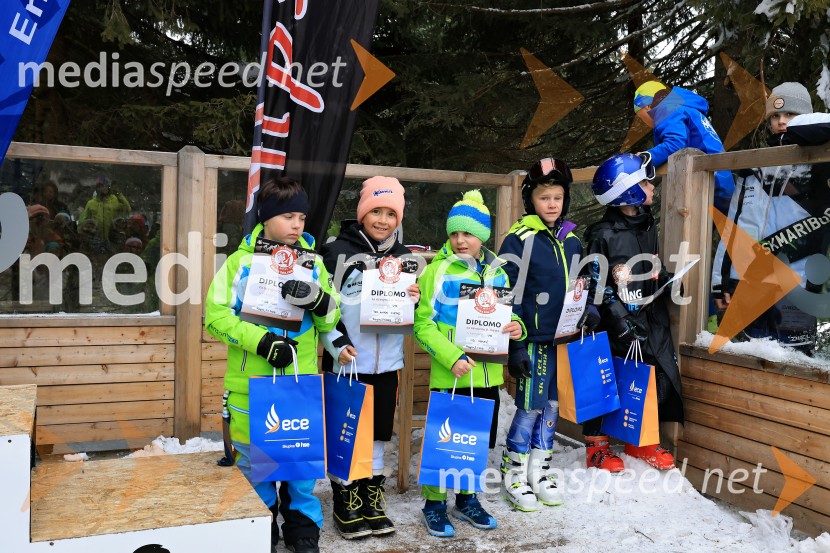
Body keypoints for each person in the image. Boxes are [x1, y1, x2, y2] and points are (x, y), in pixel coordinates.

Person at [204, 177, 341, 553]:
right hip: (253, 386)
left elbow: (331, 319)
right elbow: (214, 316)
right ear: (265, 219)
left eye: (301, 216)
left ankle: (303, 529)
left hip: (300, 385)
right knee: (256, 467)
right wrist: (261, 341)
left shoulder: (313, 264)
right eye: (287, 216)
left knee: (300, 466)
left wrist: (317, 300)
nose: (297, 225)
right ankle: (261, 526)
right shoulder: (240, 264)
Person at [414, 190, 526, 538]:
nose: (460, 240)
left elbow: (508, 315)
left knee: (474, 440)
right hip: (451, 372)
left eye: (468, 233)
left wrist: (516, 327)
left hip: (487, 374)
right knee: (442, 440)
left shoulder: (498, 273)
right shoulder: (437, 271)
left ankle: (466, 498)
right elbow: (422, 325)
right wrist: (451, 357)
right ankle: (433, 504)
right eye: (454, 233)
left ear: (483, 236)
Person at [318, 176, 420, 539]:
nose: (382, 220)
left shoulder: (405, 257)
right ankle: (345, 496)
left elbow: (412, 311)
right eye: (375, 210)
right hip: (347, 361)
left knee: (377, 434)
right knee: (347, 432)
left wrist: (414, 298)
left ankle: (370, 495)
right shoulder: (335, 253)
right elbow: (321, 307)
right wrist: (335, 343)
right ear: (362, 213)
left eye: (390, 213)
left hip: (388, 363)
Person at [496, 158, 595, 511]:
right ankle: (514, 472)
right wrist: (517, 345)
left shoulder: (572, 239)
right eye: (544, 198)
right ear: (530, 201)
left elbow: (580, 284)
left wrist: (588, 309)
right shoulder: (519, 239)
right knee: (529, 406)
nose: (552, 204)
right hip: (534, 341)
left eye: (557, 197)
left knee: (552, 405)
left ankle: (540, 469)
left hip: (562, 340)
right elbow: (507, 293)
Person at [581, 153, 684, 472]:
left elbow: (650, 264)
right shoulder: (602, 234)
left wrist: (665, 279)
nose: (651, 186)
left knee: (652, 376)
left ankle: (641, 441)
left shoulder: (647, 224)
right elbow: (596, 284)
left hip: (647, 316)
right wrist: (620, 318)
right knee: (607, 379)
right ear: (626, 190)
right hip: (613, 322)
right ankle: (596, 447)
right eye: (644, 181)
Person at [711, 82, 830, 355]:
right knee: (750, 364)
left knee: (795, 370)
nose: (781, 121)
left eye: (790, 115)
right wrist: (721, 283)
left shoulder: (820, 163)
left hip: (796, 287)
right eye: (775, 117)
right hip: (748, 284)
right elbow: (732, 228)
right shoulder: (753, 166)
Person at [634, 80, 735, 215]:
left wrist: (645, 158)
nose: (645, 123)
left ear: (647, 107)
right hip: (720, 179)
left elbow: (675, 144)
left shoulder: (668, 110)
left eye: (641, 118)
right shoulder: (682, 107)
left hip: (710, 182)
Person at [79, 176, 131, 241]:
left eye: (105, 186)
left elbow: (127, 209)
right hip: (95, 239)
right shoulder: (91, 203)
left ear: (109, 188)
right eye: (100, 186)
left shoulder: (114, 199)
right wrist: (83, 234)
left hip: (111, 239)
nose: (103, 188)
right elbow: (84, 220)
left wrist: (118, 194)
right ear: (97, 188)